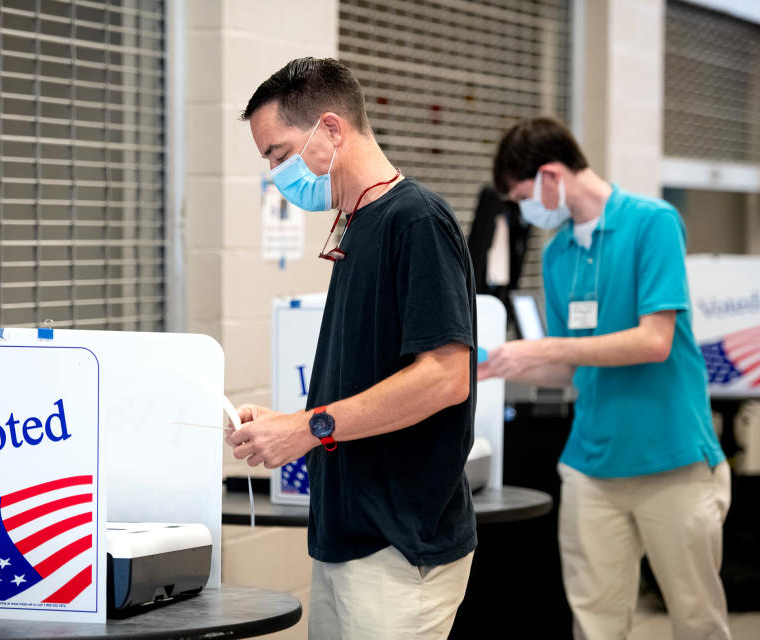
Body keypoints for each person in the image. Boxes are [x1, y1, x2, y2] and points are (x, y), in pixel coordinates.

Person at [226, 57, 478, 639]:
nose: (274, 173)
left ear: (332, 130)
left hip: (398, 542)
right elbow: (367, 380)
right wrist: (289, 423)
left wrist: (307, 429)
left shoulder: (416, 220)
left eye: (279, 154)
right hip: (347, 536)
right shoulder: (356, 222)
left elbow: (445, 377)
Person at [483, 117, 731, 640]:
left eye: (524, 196)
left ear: (551, 175)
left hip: (673, 460)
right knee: (595, 625)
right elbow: (573, 368)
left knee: (696, 621)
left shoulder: (653, 223)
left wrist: (550, 346)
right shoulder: (557, 255)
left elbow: (653, 341)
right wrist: (512, 362)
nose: (526, 211)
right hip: (592, 468)